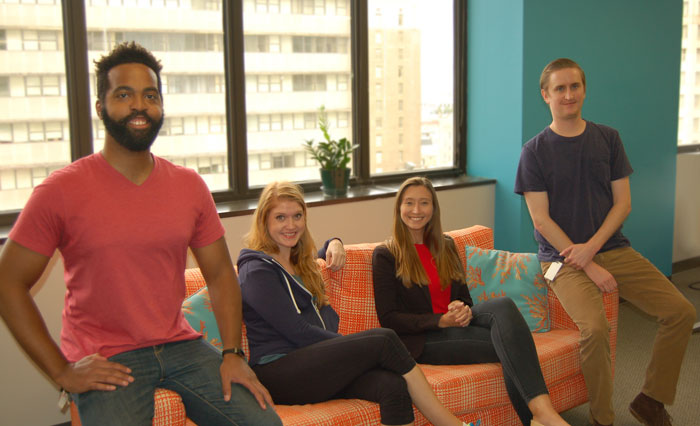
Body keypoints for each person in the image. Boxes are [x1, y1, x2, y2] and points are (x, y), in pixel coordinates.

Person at [0, 42, 282, 426]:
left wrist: (232, 352)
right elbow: (8, 283)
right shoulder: (60, 191)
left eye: (150, 95)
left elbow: (219, 274)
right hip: (106, 356)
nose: (139, 106)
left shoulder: (188, 186)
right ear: (101, 108)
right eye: (123, 95)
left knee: (265, 423)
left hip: (181, 345)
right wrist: (62, 372)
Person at [514, 57, 696, 426]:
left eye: (575, 86)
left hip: (610, 248)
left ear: (584, 90)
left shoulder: (608, 138)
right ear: (545, 95)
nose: (568, 94)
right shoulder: (534, 151)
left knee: (682, 312)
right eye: (560, 88)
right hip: (559, 260)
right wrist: (585, 262)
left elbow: (623, 203)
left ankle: (651, 399)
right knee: (595, 330)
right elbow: (541, 220)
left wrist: (592, 251)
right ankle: (603, 419)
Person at [237, 181, 474, 426]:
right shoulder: (256, 270)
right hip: (279, 372)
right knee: (383, 339)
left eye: (297, 216)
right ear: (264, 221)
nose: (291, 225)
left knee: (393, 385)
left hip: (314, 366)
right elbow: (297, 331)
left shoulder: (300, 263)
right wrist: (357, 347)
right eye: (280, 217)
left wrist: (334, 242)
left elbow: (320, 253)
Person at [371, 176, 570, 426]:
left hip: (457, 325)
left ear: (433, 208)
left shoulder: (445, 245)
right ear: (399, 208)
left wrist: (460, 307)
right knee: (511, 342)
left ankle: (540, 416)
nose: (416, 210)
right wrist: (440, 320)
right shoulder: (386, 255)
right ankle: (541, 415)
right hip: (423, 340)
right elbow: (389, 318)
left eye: (424, 203)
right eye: (409, 203)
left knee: (504, 306)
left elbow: (464, 297)